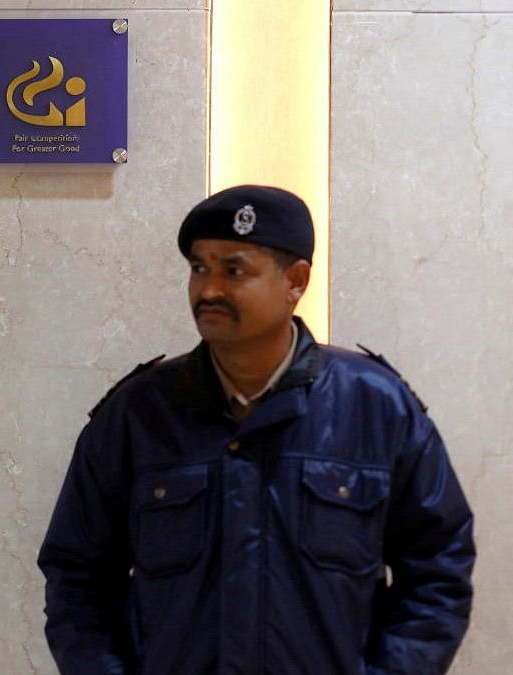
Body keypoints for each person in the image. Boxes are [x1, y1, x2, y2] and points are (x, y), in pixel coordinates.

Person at [37, 185, 475, 674]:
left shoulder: (377, 408)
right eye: (199, 267)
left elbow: (439, 569)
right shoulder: (138, 415)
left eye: (234, 269)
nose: (208, 290)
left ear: (296, 280)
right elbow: (77, 578)